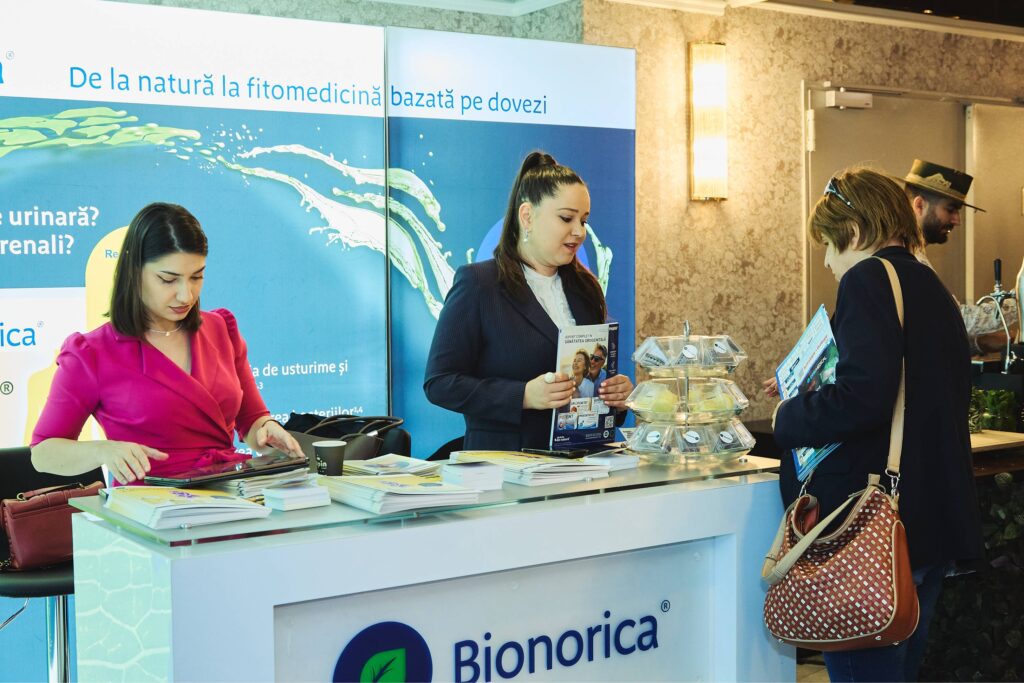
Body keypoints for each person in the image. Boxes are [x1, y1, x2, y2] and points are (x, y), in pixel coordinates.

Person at [769, 168, 983, 682]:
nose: (827, 261)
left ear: (855, 230)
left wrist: (787, 415)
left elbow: (863, 399)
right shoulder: (928, 284)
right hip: (927, 523)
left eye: (828, 244)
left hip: (876, 529)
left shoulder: (868, 280)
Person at [30, 203, 302, 485]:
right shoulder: (92, 353)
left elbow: (253, 422)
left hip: (230, 494)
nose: (186, 295)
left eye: (197, 277)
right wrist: (103, 451)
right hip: (150, 504)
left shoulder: (222, 328)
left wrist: (268, 429)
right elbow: (43, 453)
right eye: (168, 280)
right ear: (134, 271)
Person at [424, 151, 633, 451]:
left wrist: (615, 397)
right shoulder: (479, 284)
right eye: (566, 218)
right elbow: (440, 383)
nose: (579, 232)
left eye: (584, 220)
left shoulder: (586, 287)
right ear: (527, 216)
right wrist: (522, 395)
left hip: (583, 464)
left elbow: (591, 383)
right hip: (505, 466)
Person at [901, 159, 1017, 355]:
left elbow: (934, 330)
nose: (957, 220)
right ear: (919, 205)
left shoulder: (915, 253)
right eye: (950, 209)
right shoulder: (906, 258)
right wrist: (1018, 302)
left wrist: (980, 343)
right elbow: (953, 317)